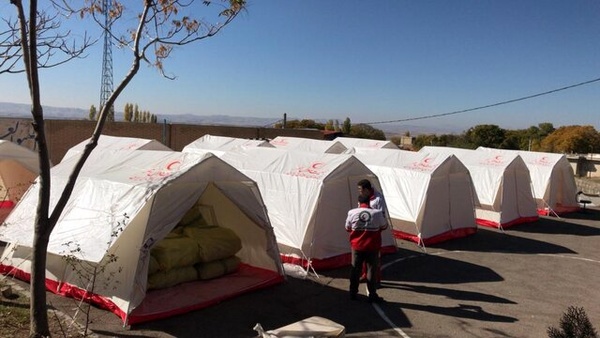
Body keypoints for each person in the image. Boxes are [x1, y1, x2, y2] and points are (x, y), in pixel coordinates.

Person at [345, 194, 388, 303]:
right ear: (369, 202)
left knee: (355, 269)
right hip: (372, 246)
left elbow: (347, 228)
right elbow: (384, 226)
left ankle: (352, 292)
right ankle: (372, 294)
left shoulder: (352, 212)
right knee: (371, 270)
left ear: (358, 203)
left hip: (357, 246)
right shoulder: (377, 213)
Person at [357, 179, 387, 284]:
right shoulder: (362, 198)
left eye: (360, 189)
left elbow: (381, 216)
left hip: (374, 232)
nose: (359, 191)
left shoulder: (378, 199)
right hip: (364, 231)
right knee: (364, 256)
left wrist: (378, 228)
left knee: (375, 258)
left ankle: (376, 279)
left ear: (366, 189)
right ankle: (365, 275)